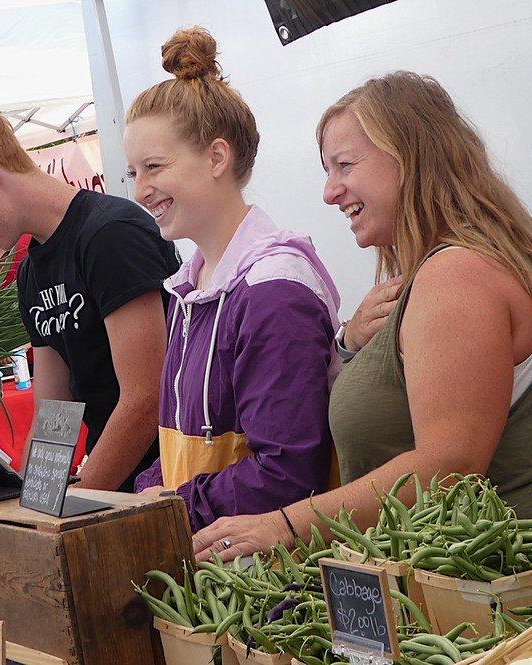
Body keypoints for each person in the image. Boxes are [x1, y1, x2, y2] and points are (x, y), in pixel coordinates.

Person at [194, 71, 532, 560]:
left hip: (506, 587)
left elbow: (447, 464)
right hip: (455, 576)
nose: (330, 192)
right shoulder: (438, 273)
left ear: (411, 157)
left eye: (345, 165)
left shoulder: (458, 275)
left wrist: (285, 525)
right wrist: (347, 344)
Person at [0, 96, 180, 492]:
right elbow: (53, 414)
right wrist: (32, 497)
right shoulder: (32, 270)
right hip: (116, 486)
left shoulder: (110, 235)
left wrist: (63, 511)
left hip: (170, 484)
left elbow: (147, 398)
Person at [126, 28, 342, 532]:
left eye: (154, 167)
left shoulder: (274, 290)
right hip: (214, 568)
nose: (140, 190)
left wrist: (172, 506)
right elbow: (183, 448)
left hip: (275, 587)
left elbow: (289, 471)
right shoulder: (191, 290)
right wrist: (146, 493)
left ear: (217, 158)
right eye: (133, 171)